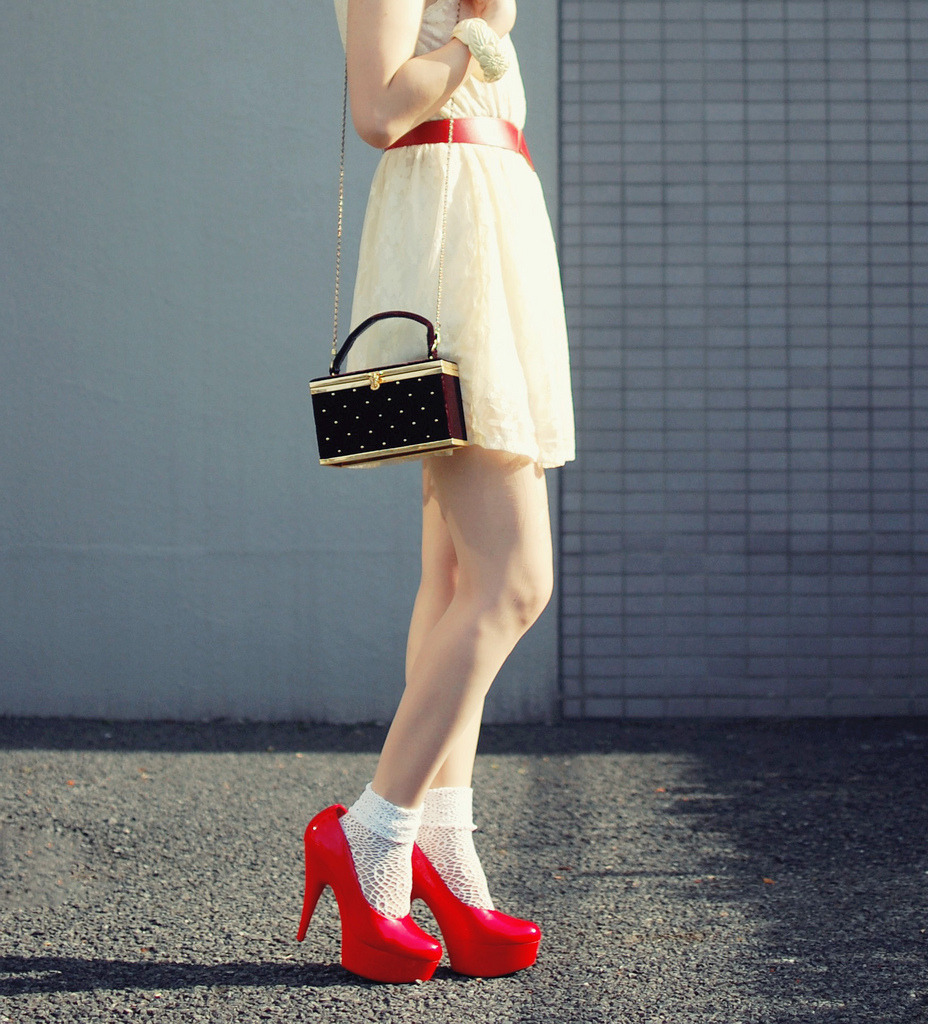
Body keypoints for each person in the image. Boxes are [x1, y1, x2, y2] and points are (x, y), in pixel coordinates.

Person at [296, 0, 575, 983]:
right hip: (452, 248)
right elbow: (378, 111)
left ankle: (445, 852)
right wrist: (480, 35)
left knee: (458, 577)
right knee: (514, 581)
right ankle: (374, 829)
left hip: (493, 235)